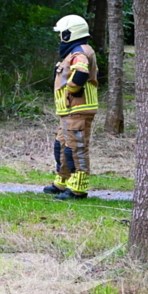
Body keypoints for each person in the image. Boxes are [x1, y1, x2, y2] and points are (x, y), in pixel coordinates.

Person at [42, 15, 99, 200]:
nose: (59, 37)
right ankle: (63, 182)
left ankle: (78, 189)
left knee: (76, 149)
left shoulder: (79, 53)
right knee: (62, 146)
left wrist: (72, 89)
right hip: (69, 111)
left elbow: (81, 72)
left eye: (61, 33)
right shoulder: (74, 51)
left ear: (69, 34)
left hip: (78, 109)